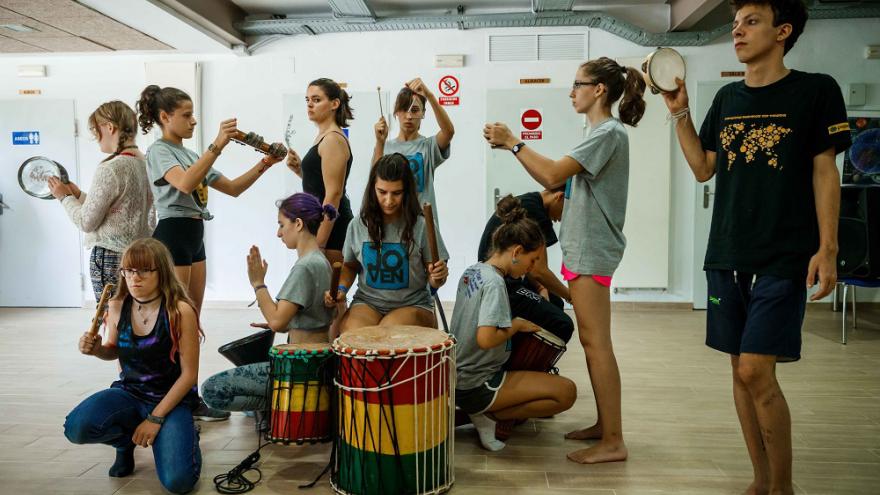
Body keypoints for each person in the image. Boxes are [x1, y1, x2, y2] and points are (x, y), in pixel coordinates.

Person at [662, 1, 850, 493]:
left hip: (785, 254)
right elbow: (704, 167)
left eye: (751, 22)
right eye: (735, 23)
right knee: (739, 371)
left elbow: (825, 170)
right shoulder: (726, 97)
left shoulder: (815, 90)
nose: (737, 32)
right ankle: (761, 478)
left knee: (754, 368)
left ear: (783, 31)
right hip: (726, 251)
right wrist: (679, 112)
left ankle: (782, 487)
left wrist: (828, 248)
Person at [484, 55, 647, 463]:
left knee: (597, 345)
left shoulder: (608, 132)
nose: (571, 91)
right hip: (583, 250)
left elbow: (553, 174)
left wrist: (512, 142)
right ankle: (604, 427)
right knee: (593, 344)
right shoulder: (595, 131)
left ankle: (613, 440)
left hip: (593, 252)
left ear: (600, 90)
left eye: (578, 84)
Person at [137, 85, 284, 421]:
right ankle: (169, 396)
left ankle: (187, 395)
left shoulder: (191, 154)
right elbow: (185, 184)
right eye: (186, 115)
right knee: (175, 324)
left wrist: (266, 163)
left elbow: (232, 188)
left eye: (192, 114)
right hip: (172, 234)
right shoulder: (159, 151)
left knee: (191, 323)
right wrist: (218, 144)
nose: (192, 121)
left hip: (194, 233)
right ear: (164, 117)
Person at [63, 238, 202, 494]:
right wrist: (96, 350)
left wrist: (155, 418)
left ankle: (186, 435)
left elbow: (189, 375)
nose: (134, 278)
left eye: (144, 270)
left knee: (178, 483)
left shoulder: (180, 311)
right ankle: (124, 442)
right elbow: (113, 350)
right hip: (130, 393)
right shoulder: (117, 306)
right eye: (128, 270)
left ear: (162, 272)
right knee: (76, 428)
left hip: (171, 401)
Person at [452, 195, 577, 452]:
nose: (532, 269)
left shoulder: (473, 271)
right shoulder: (496, 284)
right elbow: (485, 339)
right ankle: (489, 415)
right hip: (478, 383)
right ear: (517, 252)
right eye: (532, 261)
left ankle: (482, 411)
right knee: (566, 393)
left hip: (457, 377)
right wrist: (517, 325)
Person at [201, 192, 337, 414]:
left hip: (299, 367)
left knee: (212, 390)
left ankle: (275, 411)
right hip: (316, 363)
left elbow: (276, 322)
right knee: (246, 395)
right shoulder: (321, 262)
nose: (278, 233)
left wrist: (258, 283)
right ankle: (275, 409)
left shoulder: (305, 267)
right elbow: (284, 323)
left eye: (282, 225)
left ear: (299, 224)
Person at [48, 101, 154, 302]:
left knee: (111, 318)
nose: (96, 138)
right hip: (141, 255)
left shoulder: (111, 168)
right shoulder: (145, 163)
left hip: (112, 258)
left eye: (95, 130)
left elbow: (86, 222)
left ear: (109, 127)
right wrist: (78, 195)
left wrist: (64, 197)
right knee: (137, 315)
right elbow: (120, 210)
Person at [328, 153, 448, 331]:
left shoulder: (421, 225)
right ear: (372, 189)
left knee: (386, 334)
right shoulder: (357, 225)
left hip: (413, 304)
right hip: (368, 302)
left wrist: (438, 277)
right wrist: (341, 288)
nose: (389, 200)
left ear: (407, 192)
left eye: (397, 193)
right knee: (352, 336)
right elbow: (350, 266)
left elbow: (434, 277)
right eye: (382, 192)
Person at [477, 188, 573, 344]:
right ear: (560, 197)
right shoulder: (537, 214)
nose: (564, 218)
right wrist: (572, 297)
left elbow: (534, 269)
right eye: (568, 210)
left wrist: (542, 288)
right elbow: (539, 272)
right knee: (563, 324)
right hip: (502, 283)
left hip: (500, 275)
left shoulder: (529, 202)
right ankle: (517, 361)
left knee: (555, 302)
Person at [373, 78, 455, 259]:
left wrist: (430, 96)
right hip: (392, 227)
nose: (409, 116)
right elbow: (374, 178)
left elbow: (448, 132)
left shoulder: (428, 146)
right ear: (396, 113)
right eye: (403, 110)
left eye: (415, 110)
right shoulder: (387, 146)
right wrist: (379, 142)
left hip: (423, 226)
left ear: (423, 114)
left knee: (431, 276)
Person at [286, 78, 355, 265]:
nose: (309, 105)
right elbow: (322, 185)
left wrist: (319, 243)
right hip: (320, 224)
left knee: (326, 292)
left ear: (334, 104)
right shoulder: (323, 137)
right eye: (307, 100)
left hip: (332, 231)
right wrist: (301, 170)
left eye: (316, 100)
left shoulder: (332, 139)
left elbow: (333, 194)